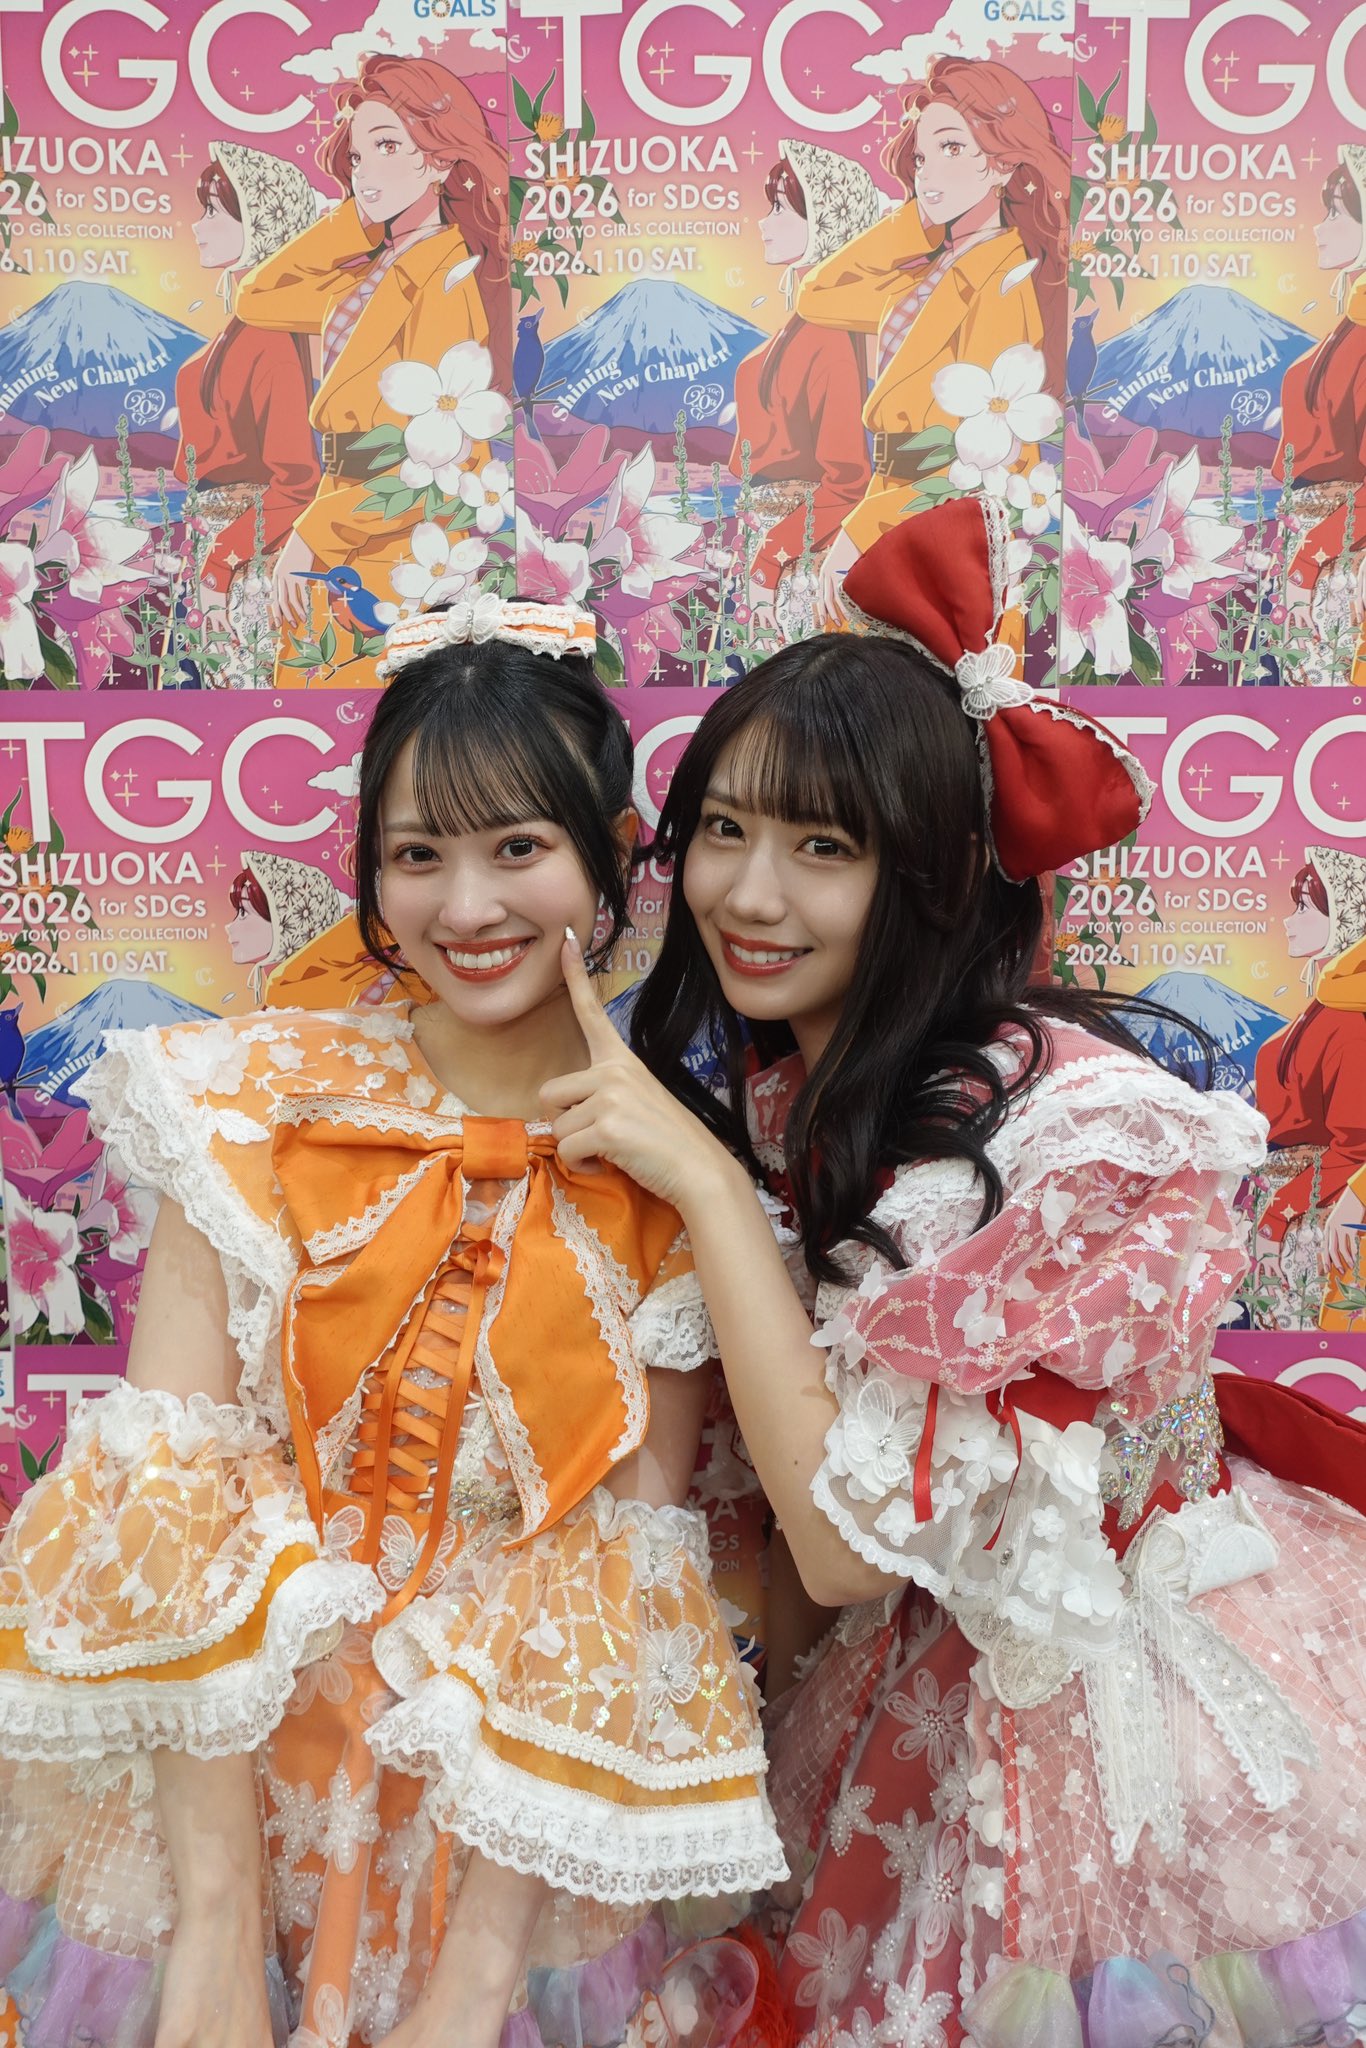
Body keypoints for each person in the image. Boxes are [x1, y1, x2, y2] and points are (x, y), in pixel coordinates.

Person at [538, 494, 1366, 2045]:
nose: (749, 894)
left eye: (823, 847)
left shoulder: (1067, 1131)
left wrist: (707, 1193)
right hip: (909, 1678)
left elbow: (848, 1547)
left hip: (1109, 1707)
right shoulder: (810, 1085)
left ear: (929, 875)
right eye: (724, 829)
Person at [0, 597, 783, 2048]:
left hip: (496, 1843)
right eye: (418, 855)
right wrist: (215, 1927)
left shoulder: (673, 1179)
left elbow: (617, 1588)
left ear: (614, 855)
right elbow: (164, 1502)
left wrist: (476, 1984)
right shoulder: (248, 1100)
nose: (465, 908)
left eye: (517, 848)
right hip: (218, 1796)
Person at [235, 52, 510, 689]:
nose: (365, 170)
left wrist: (314, 534)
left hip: (399, 534)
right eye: (357, 156)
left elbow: (440, 463)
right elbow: (257, 298)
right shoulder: (369, 271)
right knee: (316, 697)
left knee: (360, 703)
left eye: (387, 146)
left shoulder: (446, 278)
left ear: (439, 160)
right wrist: (357, 220)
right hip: (348, 508)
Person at [794, 55, 1068, 623]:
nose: (928, 172)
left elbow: (997, 459)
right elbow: (817, 295)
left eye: (952, 148)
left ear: (1001, 164)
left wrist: (864, 530)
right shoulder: (928, 272)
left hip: (942, 523)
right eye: (921, 157)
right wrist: (917, 221)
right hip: (895, 498)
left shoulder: (1004, 280)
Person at [172, 145, 321, 687]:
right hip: (221, 549)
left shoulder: (268, 336)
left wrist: (219, 564)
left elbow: (297, 482)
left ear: (259, 224)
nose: (197, 226)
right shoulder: (243, 327)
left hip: (243, 560)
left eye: (213, 210)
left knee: (232, 695)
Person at [728, 142, 879, 640]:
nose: (763, 222)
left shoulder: (827, 333)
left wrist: (770, 560)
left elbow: (848, 481)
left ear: (824, 223)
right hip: (773, 545)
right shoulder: (802, 325)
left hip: (795, 558)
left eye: (780, 208)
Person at [1255, 847, 1366, 1327]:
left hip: (1313, 1215)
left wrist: (1275, 1217)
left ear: (1342, 918)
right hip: (1291, 1203)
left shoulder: (1349, 1018)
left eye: (1303, 907)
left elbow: (1355, 1148)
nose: (1288, 921)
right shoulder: (1324, 1004)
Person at [1277, 147, 1366, 686]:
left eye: (1336, 212)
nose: (1319, 227)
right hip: (1316, 545)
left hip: (1339, 554)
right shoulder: (1348, 324)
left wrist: (1308, 563)